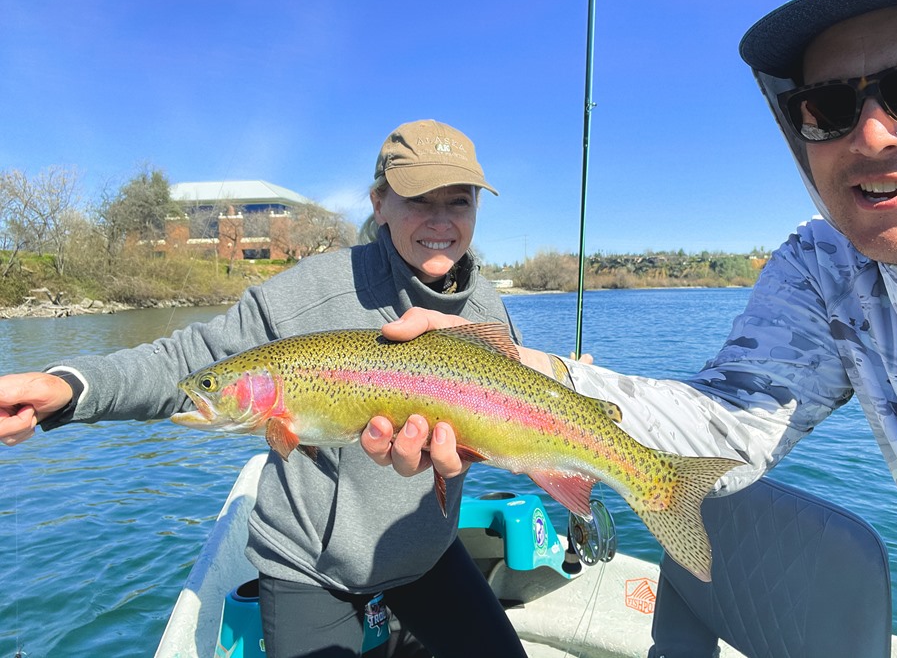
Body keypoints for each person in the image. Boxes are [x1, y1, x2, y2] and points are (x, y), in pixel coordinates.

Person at [364, 0, 897, 654]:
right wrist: (522, 378)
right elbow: (732, 417)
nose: (873, 134)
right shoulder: (828, 268)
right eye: (826, 106)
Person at [0, 119, 528, 658]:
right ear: (379, 202)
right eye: (418, 199)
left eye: (459, 202)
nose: (440, 221)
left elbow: (502, 434)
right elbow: (187, 363)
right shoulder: (307, 291)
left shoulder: (488, 310)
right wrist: (68, 387)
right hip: (309, 567)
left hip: (425, 554)